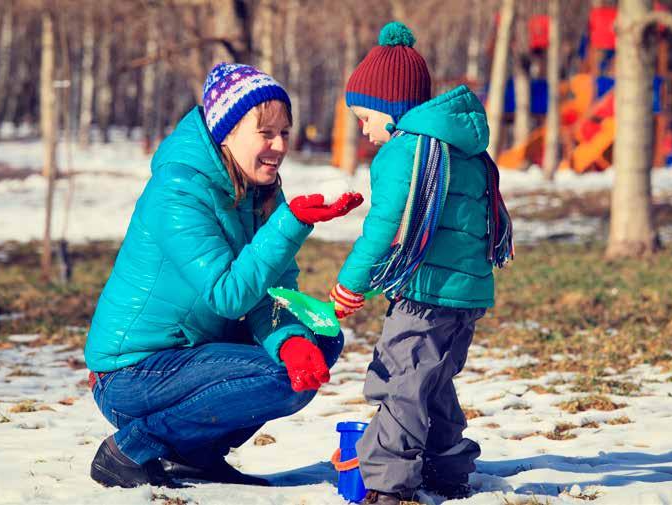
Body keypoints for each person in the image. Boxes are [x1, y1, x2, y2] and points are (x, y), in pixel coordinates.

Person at [83, 62, 364, 489]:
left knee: (319, 339)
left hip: (190, 359)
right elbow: (227, 294)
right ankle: (132, 448)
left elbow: (273, 293)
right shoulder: (178, 191)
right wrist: (289, 224)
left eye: (284, 133)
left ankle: (194, 456)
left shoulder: (261, 190)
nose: (279, 145)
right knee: (279, 377)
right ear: (226, 132)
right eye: (266, 133)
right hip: (131, 376)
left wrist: (289, 341)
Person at [328, 22, 513, 504]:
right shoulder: (465, 150)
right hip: (466, 296)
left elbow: (384, 226)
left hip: (424, 297)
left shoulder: (405, 152)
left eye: (365, 117)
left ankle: (388, 485)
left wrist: (352, 282)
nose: (364, 131)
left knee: (398, 385)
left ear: (390, 110)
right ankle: (448, 467)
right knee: (432, 384)